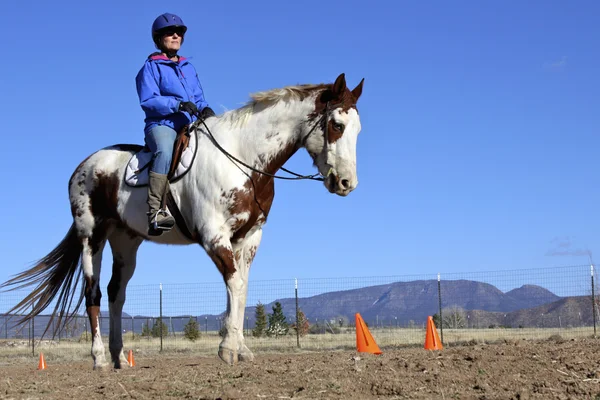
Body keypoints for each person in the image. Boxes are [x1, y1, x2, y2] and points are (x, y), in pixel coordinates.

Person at [136, 12, 216, 236]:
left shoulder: (188, 67)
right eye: (170, 33)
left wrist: (205, 108)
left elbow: (198, 96)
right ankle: (155, 212)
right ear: (159, 38)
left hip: (189, 122)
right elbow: (148, 100)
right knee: (164, 151)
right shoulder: (150, 67)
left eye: (179, 32)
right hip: (163, 124)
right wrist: (177, 105)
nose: (175, 36)